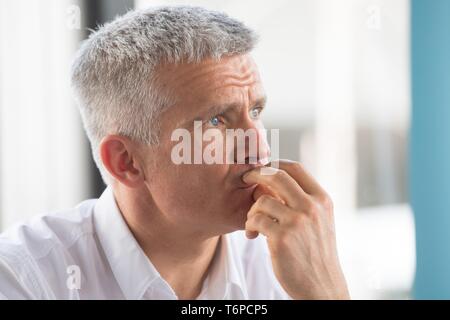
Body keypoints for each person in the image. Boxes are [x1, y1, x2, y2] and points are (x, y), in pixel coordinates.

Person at [0, 6, 349, 300]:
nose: (259, 148)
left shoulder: (290, 262)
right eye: (217, 121)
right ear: (126, 162)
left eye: (255, 112)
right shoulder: (24, 279)